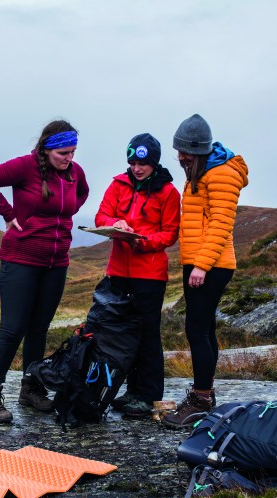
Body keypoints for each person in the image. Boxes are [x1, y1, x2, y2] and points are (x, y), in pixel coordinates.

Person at [0, 120, 89, 423]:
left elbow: (81, 196)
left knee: (39, 328)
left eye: (73, 152)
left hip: (56, 263)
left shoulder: (75, 174)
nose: (69, 159)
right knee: (13, 329)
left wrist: (67, 213)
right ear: (48, 149)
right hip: (20, 259)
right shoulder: (25, 167)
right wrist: (8, 214)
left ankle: (31, 388)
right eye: (63, 153)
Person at [163, 114, 249, 429]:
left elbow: (221, 224)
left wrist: (201, 264)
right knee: (204, 329)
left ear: (197, 150)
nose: (180, 158)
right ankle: (205, 394)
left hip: (210, 265)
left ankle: (200, 401)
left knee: (197, 330)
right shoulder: (201, 172)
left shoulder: (222, 174)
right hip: (200, 262)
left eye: (184, 152)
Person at [94, 133, 180, 419]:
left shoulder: (168, 192)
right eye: (132, 161)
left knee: (147, 336)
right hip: (118, 271)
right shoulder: (118, 184)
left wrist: (142, 241)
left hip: (150, 275)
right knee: (121, 335)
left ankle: (148, 395)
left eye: (142, 162)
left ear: (153, 162)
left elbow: (169, 233)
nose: (136, 167)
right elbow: (101, 216)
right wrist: (114, 224)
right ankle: (131, 391)